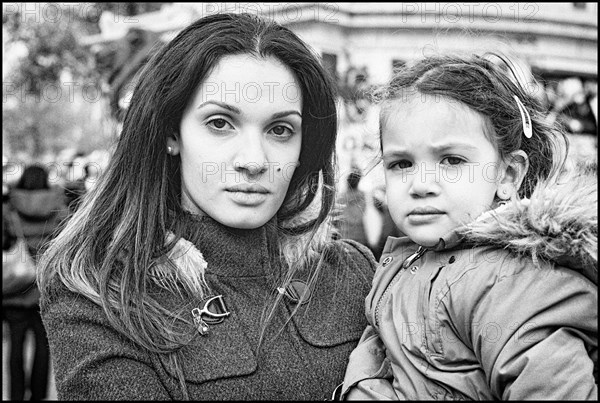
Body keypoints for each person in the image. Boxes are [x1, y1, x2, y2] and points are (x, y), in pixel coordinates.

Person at [37, 12, 376, 400]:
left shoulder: (354, 272)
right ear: (171, 132)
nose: (253, 160)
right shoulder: (101, 294)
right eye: (220, 123)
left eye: (280, 130)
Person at [338, 53, 597, 400]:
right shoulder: (401, 264)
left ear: (507, 175)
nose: (420, 184)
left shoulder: (509, 284)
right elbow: (375, 352)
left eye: (451, 160)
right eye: (402, 163)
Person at [3, 164, 69, 400]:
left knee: (16, 345)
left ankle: (16, 394)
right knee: (43, 345)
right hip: (45, 290)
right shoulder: (59, 209)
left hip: (14, 286)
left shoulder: (8, 209)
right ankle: (39, 394)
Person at [335, 168, 369, 246]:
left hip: (346, 234)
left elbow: (337, 217)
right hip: (359, 234)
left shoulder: (341, 197)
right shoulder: (363, 196)